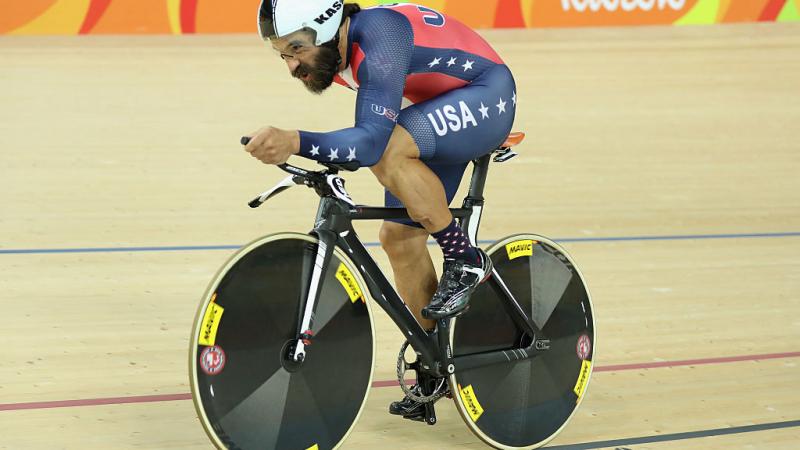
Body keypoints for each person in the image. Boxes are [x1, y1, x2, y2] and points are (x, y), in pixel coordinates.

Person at [244, 0, 517, 420]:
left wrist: (295, 140)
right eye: (283, 54)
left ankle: (466, 258)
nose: (292, 67)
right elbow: (368, 127)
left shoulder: (380, 31)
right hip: (438, 108)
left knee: (387, 152)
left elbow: (370, 142)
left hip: (485, 96)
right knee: (398, 239)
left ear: (328, 23)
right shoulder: (338, 51)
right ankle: (435, 365)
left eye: (297, 49)